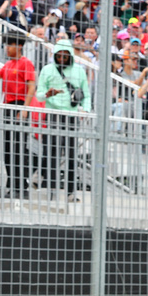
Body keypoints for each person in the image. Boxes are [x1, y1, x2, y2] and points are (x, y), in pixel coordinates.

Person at [36, 39, 91, 201]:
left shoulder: (79, 71)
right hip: (53, 114)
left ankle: (71, 191)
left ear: (70, 56)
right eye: (59, 55)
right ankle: (51, 189)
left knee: (71, 154)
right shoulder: (47, 70)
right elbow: (39, 95)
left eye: (65, 56)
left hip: (71, 116)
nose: (61, 58)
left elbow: (86, 95)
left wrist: (85, 110)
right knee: (51, 153)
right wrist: (48, 94)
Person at [0, 32, 36, 198]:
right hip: (8, 107)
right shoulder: (8, 65)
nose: (7, 48)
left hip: (19, 105)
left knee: (19, 148)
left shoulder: (26, 63)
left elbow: (31, 87)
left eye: (10, 45)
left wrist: (25, 109)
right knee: (7, 149)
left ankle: (22, 187)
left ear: (18, 46)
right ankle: (12, 184)